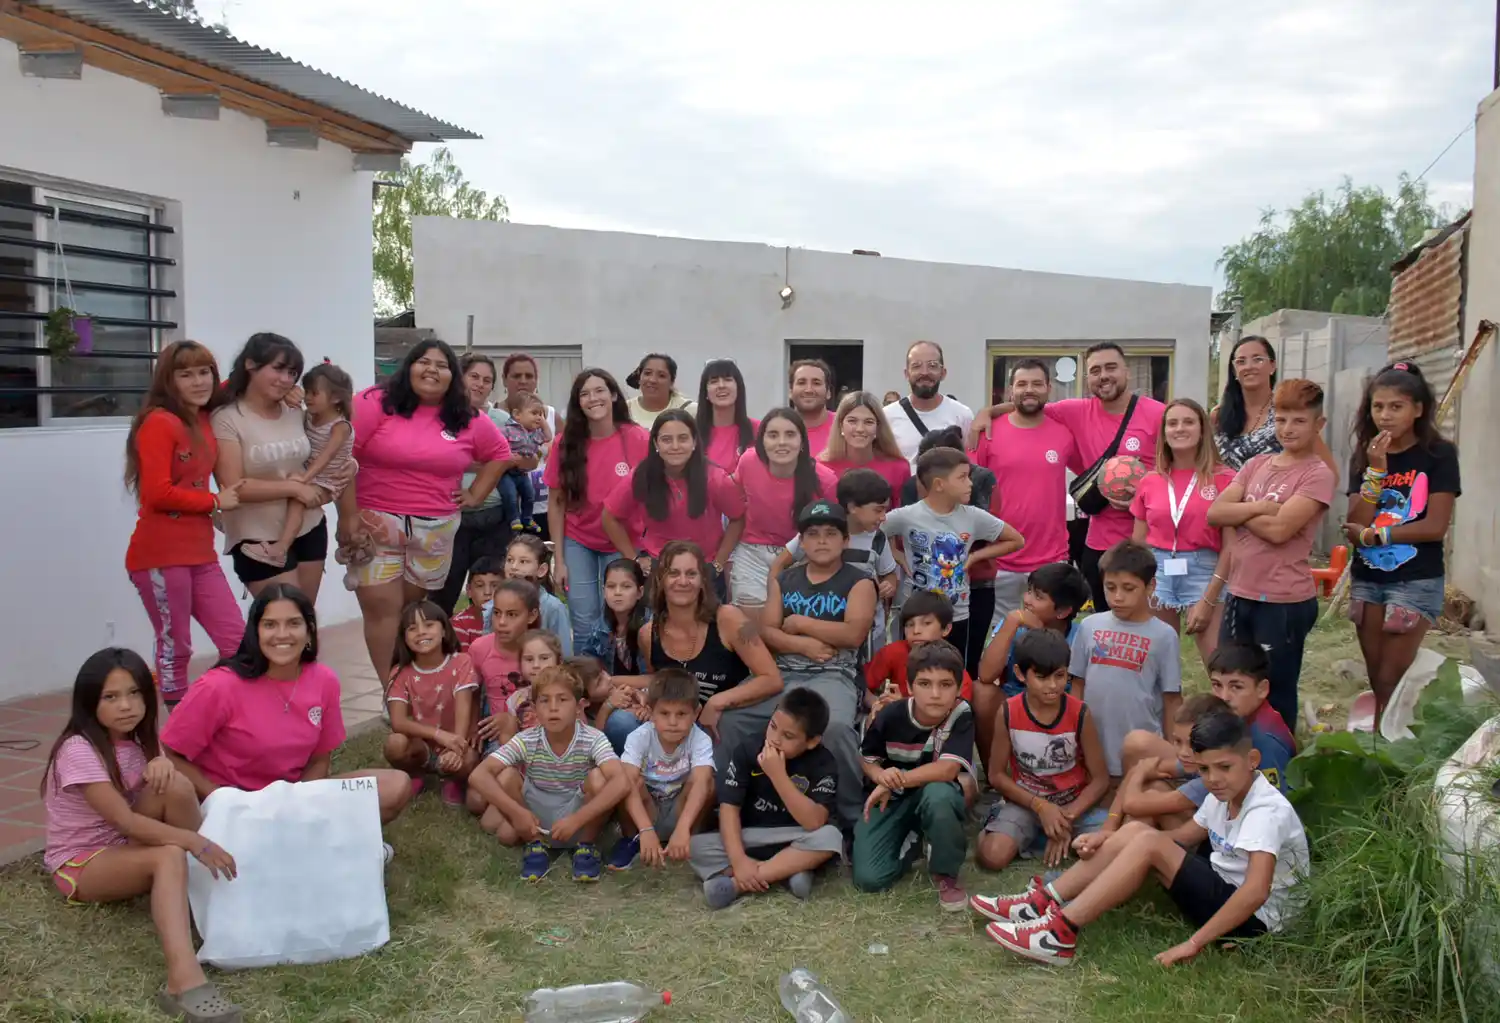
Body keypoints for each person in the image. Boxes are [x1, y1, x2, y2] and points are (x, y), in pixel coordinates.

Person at [977, 710, 1310, 968]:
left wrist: (1193, 943)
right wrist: (1114, 845)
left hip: (1259, 926)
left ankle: (1060, 934)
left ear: (1252, 761)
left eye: (1224, 767)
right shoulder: (1223, 794)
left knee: (1147, 842)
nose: (1214, 779)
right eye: (1206, 770)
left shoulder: (1265, 811)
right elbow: (1181, 837)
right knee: (1139, 833)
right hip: (1224, 894)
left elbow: (1256, 892)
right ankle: (1044, 901)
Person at [42, 648, 242, 1023]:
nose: (126, 706)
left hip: (124, 847)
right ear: (89, 702)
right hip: (84, 862)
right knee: (168, 854)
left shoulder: (138, 740)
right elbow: (127, 824)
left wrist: (162, 763)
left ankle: (207, 892)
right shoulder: (78, 749)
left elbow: (150, 802)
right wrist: (195, 841)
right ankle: (182, 980)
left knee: (178, 786)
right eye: (111, 697)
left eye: (134, 693)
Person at [162, 585, 412, 825]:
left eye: (293, 623)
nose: (282, 634)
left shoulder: (324, 680)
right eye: (270, 625)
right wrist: (222, 799)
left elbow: (319, 761)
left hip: (291, 799)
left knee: (394, 786)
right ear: (255, 631)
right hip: (231, 807)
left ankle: (305, 835)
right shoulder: (219, 686)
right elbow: (171, 754)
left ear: (309, 631)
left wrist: (294, 803)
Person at [339, 339, 512, 682]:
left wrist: (476, 494)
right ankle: (394, 692)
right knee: (381, 611)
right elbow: (343, 458)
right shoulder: (376, 402)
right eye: (423, 361)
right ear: (409, 367)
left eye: (442, 365)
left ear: (453, 376)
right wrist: (346, 517)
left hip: (434, 530)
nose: (432, 369)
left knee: (408, 611)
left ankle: (409, 686)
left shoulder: (465, 416)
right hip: (375, 523)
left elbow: (500, 454)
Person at [973, 343, 1167, 612]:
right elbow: (1028, 402)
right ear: (1088, 379)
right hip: (1099, 543)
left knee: (1151, 623)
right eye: (1095, 370)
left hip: (1150, 540)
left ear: (1127, 372)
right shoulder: (1073, 412)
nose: (1103, 376)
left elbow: (1179, 470)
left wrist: (1146, 493)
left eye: (1111, 367)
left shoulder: (1159, 414)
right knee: (1105, 622)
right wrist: (988, 412)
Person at [1207, 379, 1336, 730]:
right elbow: (1215, 513)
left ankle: (1278, 767)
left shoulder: (1317, 474)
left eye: (1299, 421)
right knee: (1228, 683)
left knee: (1274, 692)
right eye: (1280, 420)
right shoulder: (1256, 464)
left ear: (1318, 425)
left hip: (1283, 601)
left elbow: (1281, 532)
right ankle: (1233, 757)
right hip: (1240, 592)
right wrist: (1263, 507)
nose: (1288, 429)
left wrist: (1244, 509)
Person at [123, 340, 244, 706]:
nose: (198, 382)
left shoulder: (203, 416)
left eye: (204, 372)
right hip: (160, 555)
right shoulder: (159, 423)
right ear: (168, 381)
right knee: (176, 646)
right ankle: (180, 733)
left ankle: (213, 707)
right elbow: (156, 493)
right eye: (185, 374)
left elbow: (244, 380)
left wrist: (290, 391)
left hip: (200, 554)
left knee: (239, 642)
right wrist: (213, 501)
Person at [1341, 362, 1461, 725]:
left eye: (1396, 406)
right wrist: (1376, 471)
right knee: (1378, 676)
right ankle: (1386, 747)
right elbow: (1355, 520)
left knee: (1393, 675)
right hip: (1369, 578)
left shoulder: (1438, 454)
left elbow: (1434, 526)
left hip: (1415, 579)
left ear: (1418, 409)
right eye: (1378, 407)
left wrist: (1380, 534)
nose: (1386, 416)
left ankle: (1391, 750)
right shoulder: (1366, 454)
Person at [760, 499, 878, 828]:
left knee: (837, 728)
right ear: (802, 541)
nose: (822, 541)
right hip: (783, 671)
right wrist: (802, 644)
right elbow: (766, 631)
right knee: (733, 719)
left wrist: (799, 623)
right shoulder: (784, 580)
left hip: (833, 672)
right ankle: (736, 805)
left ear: (845, 540)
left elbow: (853, 634)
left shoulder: (859, 581)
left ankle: (853, 817)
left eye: (830, 533)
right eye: (812, 534)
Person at [467, 662, 628, 882]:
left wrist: (577, 819)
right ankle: (535, 846)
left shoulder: (593, 738)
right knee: (506, 777)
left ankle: (585, 847)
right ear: (534, 708)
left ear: (579, 706)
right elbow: (478, 775)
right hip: (536, 814)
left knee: (599, 778)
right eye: (544, 700)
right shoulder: (527, 739)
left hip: (577, 815)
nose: (553, 708)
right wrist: (517, 812)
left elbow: (621, 782)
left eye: (562, 700)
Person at [689, 687, 843, 909]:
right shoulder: (748, 749)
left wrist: (778, 775)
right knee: (696, 848)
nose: (775, 739)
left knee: (830, 837)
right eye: (773, 727)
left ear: (812, 741)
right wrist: (739, 861)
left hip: (794, 838)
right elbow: (729, 807)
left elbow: (814, 822)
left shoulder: (823, 762)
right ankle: (787, 873)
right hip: (751, 838)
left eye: (788, 736)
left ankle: (736, 885)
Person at [853, 640, 975, 909]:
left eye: (945, 684)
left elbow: (948, 769)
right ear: (909, 687)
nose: (935, 694)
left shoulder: (961, 713)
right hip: (890, 798)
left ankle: (946, 874)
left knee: (941, 794)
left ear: (958, 689)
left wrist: (898, 778)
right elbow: (867, 760)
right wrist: (882, 777)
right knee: (869, 879)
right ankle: (917, 841)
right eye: (924, 683)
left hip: (929, 792)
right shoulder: (890, 715)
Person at [976, 630, 1110, 874]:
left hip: (1073, 804)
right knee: (992, 856)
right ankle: (1013, 825)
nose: (1052, 686)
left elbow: (1100, 779)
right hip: (1027, 802)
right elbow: (996, 775)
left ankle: (1050, 834)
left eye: (1060, 676)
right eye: (1041, 677)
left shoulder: (1080, 713)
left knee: (1107, 850)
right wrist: (1040, 807)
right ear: (1020, 674)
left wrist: (1065, 818)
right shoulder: (1008, 711)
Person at [212, 333, 332, 601]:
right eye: (278, 369)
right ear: (250, 365)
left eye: (292, 373)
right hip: (257, 537)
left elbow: (328, 447)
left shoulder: (295, 413)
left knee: (303, 621)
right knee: (281, 620)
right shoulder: (227, 418)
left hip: (309, 525)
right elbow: (233, 486)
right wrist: (292, 488)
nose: (286, 379)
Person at [882, 447, 1023, 666]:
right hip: (915, 613)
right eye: (962, 477)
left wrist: (976, 556)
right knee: (912, 668)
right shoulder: (907, 516)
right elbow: (876, 532)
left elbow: (1016, 540)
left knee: (953, 668)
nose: (971, 484)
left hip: (956, 613)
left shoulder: (973, 517)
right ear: (939, 484)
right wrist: (895, 555)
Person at [546, 369, 652, 658]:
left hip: (623, 541)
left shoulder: (638, 438)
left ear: (614, 395)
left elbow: (653, 495)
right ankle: (587, 684)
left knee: (624, 616)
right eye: (584, 393)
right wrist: (559, 558)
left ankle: (625, 680)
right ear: (577, 402)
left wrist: (645, 548)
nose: (593, 398)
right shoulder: (565, 443)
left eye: (599, 390)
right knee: (583, 618)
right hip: (578, 540)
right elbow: (556, 502)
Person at [640, 541, 784, 753]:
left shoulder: (730, 619)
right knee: (622, 722)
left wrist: (717, 701)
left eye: (691, 574)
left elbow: (772, 678)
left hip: (723, 721)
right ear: (660, 580)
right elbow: (657, 680)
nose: (682, 581)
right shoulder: (648, 634)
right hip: (675, 724)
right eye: (673, 573)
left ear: (702, 582)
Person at [1130, 399, 1237, 668]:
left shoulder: (1225, 478)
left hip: (1205, 572)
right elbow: (1139, 541)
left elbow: (1231, 547)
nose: (1180, 428)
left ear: (1202, 429)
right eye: (1172, 423)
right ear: (1163, 432)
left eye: (1188, 422)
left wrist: (1209, 599)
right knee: (1156, 665)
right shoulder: (1150, 480)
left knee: (1219, 665)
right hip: (1159, 571)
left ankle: (1224, 711)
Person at [970, 358, 1079, 621]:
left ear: (1049, 388)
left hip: (1051, 558)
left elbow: (1090, 470)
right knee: (998, 639)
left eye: (1037, 384)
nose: (1029, 389)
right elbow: (969, 491)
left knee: (1049, 641)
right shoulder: (987, 432)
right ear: (1010, 391)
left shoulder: (1065, 432)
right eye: (1022, 384)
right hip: (1000, 558)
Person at [1068, 541, 1182, 782]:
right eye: (1110, 587)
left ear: (1150, 586)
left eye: (1128, 588)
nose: (1117, 597)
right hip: (1094, 744)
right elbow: (1077, 684)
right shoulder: (1089, 626)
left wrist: (1172, 751)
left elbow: (1171, 699)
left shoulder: (1164, 635)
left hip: (1141, 745)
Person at [601, 409, 746, 599]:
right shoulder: (642, 476)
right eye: (667, 439)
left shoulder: (715, 478)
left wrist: (719, 563)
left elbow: (738, 517)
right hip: (659, 569)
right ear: (656, 443)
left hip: (704, 569)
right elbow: (610, 516)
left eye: (683, 438)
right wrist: (633, 559)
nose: (675, 446)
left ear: (694, 442)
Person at [898, 427, 1002, 672]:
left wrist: (973, 555)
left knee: (967, 659)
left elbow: (992, 532)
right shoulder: (911, 487)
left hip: (975, 582)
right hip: (926, 586)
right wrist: (902, 559)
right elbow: (898, 533)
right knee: (922, 657)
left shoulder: (982, 480)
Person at [975, 563, 1090, 774]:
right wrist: (1011, 623)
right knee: (981, 692)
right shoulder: (1014, 625)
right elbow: (985, 674)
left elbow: (1082, 691)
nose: (1027, 600)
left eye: (1038, 597)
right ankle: (996, 775)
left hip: (1060, 709)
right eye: (1029, 591)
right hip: (1014, 704)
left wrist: (1044, 636)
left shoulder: (1082, 636)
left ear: (1063, 611)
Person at [771, 468, 898, 657]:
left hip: (868, 628)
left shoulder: (877, 539)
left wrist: (890, 585)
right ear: (853, 506)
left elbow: (889, 574)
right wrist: (775, 602)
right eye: (878, 510)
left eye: (885, 510)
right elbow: (779, 565)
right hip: (819, 619)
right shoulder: (817, 531)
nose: (883, 517)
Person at [243, 361, 355, 571]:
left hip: (328, 480)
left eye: (314, 393)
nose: (308, 398)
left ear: (336, 398)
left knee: (297, 500)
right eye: (307, 392)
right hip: (310, 475)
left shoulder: (340, 426)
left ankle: (280, 549)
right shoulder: (309, 417)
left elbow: (326, 457)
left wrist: (304, 480)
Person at [607, 668, 717, 871]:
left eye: (682, 714)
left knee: (707, 781)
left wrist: (683, 828)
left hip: (680, 810)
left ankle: (689, 838)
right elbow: (627, 782)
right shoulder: (639, 737)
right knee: (626, 781)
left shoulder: (700, 739)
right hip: (648, 811)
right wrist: (646, 829)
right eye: (665, 713)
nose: (673, 722)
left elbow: (702, 782)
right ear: (651, 711)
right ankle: (632, 839)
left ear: (696, 713)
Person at [730, 408, 838, 609]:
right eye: (773, 435)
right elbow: (733, 506)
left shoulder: (826, 480)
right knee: (748, 626)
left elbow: (836, 532)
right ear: (762, 440)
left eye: (790, 435)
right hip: (752, 553)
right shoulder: (747, 462)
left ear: (802, 442)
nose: (781, 442)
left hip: (804, 556)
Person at [434, 354, 514, 614]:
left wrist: (480, 483)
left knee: (492, 593)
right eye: (474, 377)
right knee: (444, 591)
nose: (480, 384)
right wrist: (479, 462)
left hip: (493, 518)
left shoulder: (501, 419)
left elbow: (525, 459)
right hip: (449, 520)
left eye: (487, 380)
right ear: (460, 378)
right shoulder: (439, 416)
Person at [382, 600, 479, 807]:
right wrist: (439, 736)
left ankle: (451, 779)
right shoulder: (400, 672)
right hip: (423, 745)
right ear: (404, 637)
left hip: (456, 740)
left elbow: (464, 708)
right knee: (395, 744)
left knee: (469, 759)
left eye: (428, 625)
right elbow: (398, 722)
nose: (421, 632)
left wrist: (456, 746)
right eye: (412, 628)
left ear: (444, 630)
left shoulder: (461, 662)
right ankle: (417, 773)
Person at [864, 591, 975, 713]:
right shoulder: (893, 652)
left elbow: (957, 714)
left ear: (946, 629)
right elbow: (863, 687)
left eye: (926, 623)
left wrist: (904, 707)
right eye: (909, 625)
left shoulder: (954, 666)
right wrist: (877, 704)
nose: (916, 630)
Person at [467, 579, 540, 757]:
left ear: (531, 616)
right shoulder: (480, 648)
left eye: (512, 615)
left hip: (539, 733)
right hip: (497, 736)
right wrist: (472, 727)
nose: (501, 622)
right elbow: (472, 693)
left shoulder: (543, 648)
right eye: (497, 613)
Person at [883, 341, 974, 466]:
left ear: (943, 373)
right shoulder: (887, 416)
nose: (924, 372)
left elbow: (970, 463)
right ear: (906, 374)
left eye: (932, 365)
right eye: (916, 366)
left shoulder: (962, 414)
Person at [817, 391, 912, 495]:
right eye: (852, 421)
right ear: (840, 425)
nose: (860, 429)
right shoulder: (821, 468)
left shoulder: (898, 469)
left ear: (878, 427)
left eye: (869, 422)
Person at [1212, 335, 1280, 470]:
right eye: (1241, 361)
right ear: (1234, 370)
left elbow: (1326, 471)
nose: (1249, 367)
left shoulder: (1288, 412)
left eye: (1258, 360)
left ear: (1272, 365)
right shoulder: (1219, 416)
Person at [504, 533, 573, 654]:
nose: (513, 567)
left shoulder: (553, 608)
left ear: (541, 570)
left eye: (523, 562)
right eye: (510, 560)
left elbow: (565, 654)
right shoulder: (496, 604)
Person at [497, 392, 548, 533]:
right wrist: (508, 457)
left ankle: (527, 518)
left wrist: (542, 422)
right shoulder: (507, 429)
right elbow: (497, 445)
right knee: (510, 495)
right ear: (517, 414)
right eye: (534, 413)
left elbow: (548, 436)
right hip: (506, 473)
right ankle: (514, 518)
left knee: (530, 495)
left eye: (541, 414)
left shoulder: (535, 433)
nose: (538, 417)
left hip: (522, 473)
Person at [696, 358, 759, 470]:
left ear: (738, 388)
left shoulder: (759, 430)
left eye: (728, 379)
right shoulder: (692, 433)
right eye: (714, 381)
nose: (721, 386)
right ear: (705, 392)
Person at [626, 353, 697, 428]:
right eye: (647, 373)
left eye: (661, 376)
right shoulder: (624, 409)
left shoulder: (690, 410)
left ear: (672, 382)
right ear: (639, 378)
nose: (652, 380)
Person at [449, 556, 503, 651]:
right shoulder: (459, 624)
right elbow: (462, 663)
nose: (487, 592)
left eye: (495, 586)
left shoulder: (510, 621)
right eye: (480, 585)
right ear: (469, 590)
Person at [788, 358, 836, 456]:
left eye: (816, 383)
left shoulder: (844, 426)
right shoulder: (774, 430)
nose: (808, 390)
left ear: (828, 392)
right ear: (790, 391)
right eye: (801, 383)